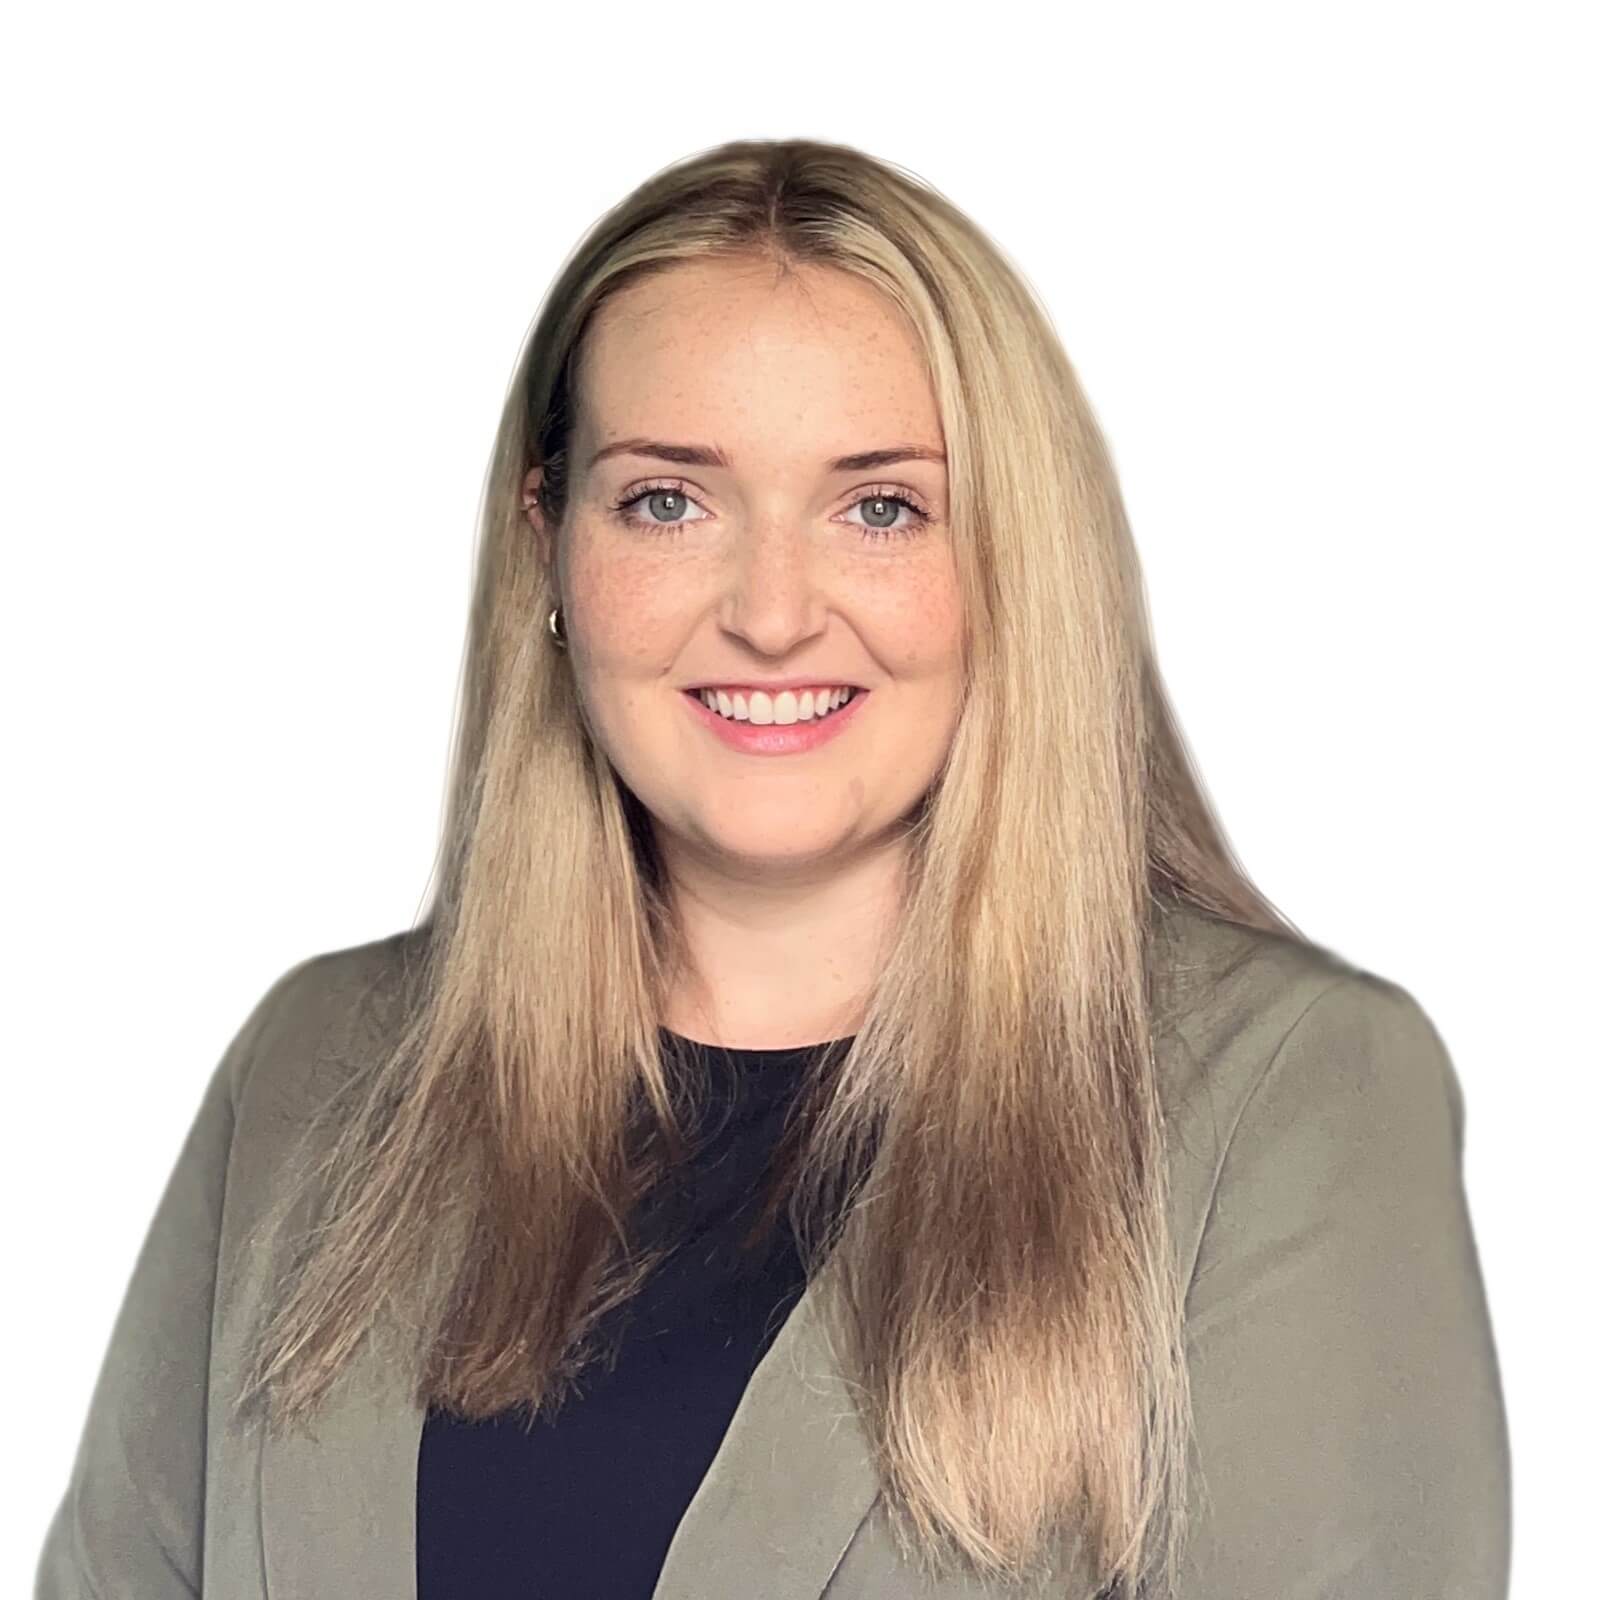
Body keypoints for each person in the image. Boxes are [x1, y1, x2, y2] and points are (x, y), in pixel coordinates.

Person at [34, 136, 1512, 1600]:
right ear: (546, 545)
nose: (771, 613)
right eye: (668, 501)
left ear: (1016, 558)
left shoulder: (1289, 1099)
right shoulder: (319, 1072)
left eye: (881, 507)